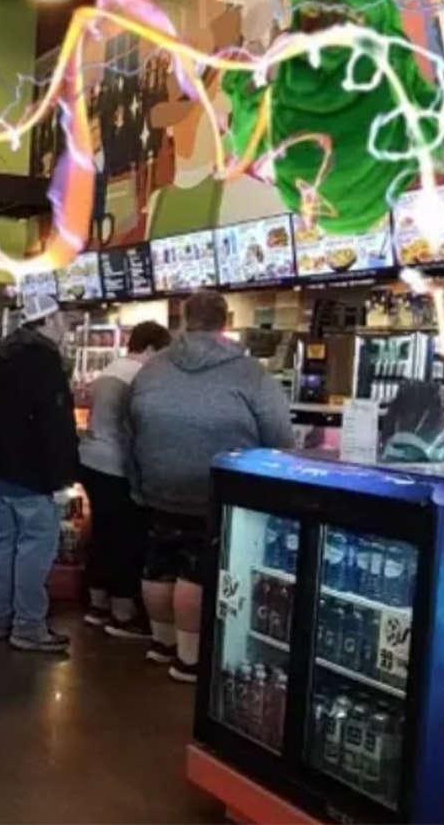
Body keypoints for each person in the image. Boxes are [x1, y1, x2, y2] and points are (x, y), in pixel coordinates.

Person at [128, 290, 294, 683]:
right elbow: (280, 437)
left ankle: (162, 643)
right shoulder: (250, 373)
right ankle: (189, 659)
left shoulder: (153, 368)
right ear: (226, 322)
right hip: (215, 488)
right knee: (196, 569)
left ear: (185, 319)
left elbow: (130, 424)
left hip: (157, 481)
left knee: (159, 560)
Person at [0, 291, 80, 653]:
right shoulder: (45, 362)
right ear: (49, 320)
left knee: (5, 543)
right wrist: (63, 474)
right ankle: (28, 625)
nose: (67, 326)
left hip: (4, 470)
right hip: (35, 472)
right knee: (35, 548)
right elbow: (55, 425)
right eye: (63, 319)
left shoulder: (6, 356)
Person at [78, 320, 171, 639]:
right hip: (117, 466)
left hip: (91, 460)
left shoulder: (110, 369)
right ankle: (122, 613)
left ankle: (97, 604)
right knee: (126, 538)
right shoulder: (139, 376)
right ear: (150, 348)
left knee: (102, 532)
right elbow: (138, 431)